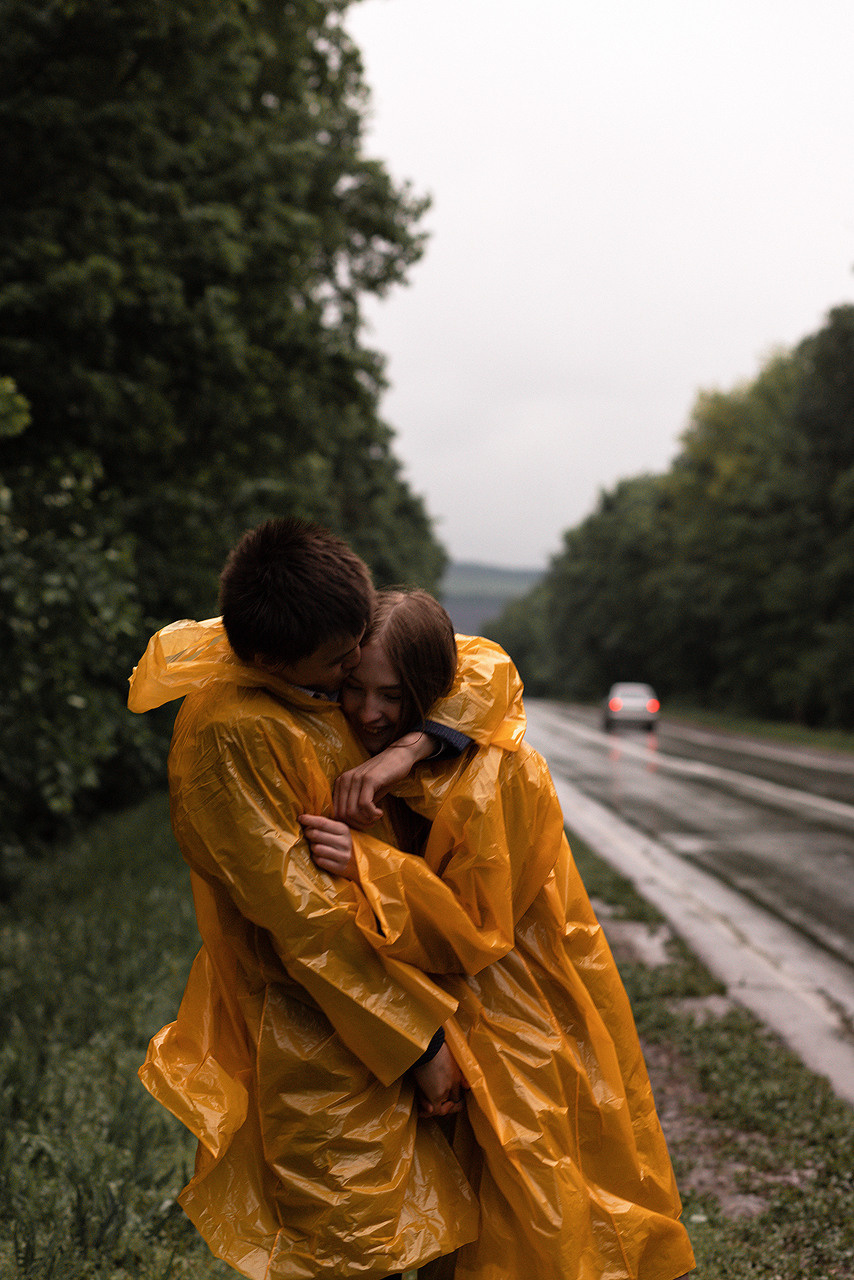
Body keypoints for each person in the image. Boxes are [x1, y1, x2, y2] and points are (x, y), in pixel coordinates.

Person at [128, 518, 525, 1280]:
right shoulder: (231, 737)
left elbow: (481, 667)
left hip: (401, 998)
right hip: (318, 1034)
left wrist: (412, 746)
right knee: (349, 1247)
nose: (355, 674)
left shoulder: (308, 671)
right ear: (270, 660)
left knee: (443, 1226)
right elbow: (304, 924)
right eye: (344, 664)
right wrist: (421, 1046)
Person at [300, 588, 696, 1280]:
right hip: (429, 1008)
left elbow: (473, 931)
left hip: (519, 1012)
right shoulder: (376, 743)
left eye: (392, 695)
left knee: (516, 1211)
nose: (367, 712)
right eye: (354, 688)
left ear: (428, 687)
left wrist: (367, 862)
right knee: (436, 1205)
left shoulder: (498, 771)